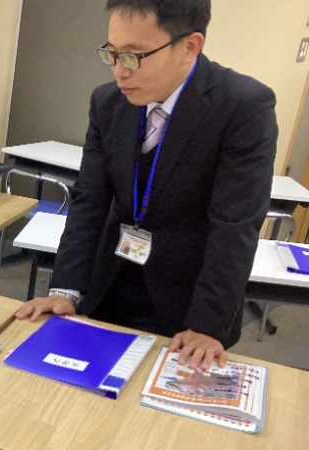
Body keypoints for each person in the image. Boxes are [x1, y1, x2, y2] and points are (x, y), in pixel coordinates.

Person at [16, 0, 277, 371]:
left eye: (134, 56)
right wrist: (66, 290)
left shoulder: (242, 106)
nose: (120, 71)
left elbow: (235, 224)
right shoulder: (107, 102)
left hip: (188, 301)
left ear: (189, 46)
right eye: (112, 53)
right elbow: (90, 199)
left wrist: (206, 325)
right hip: (109, 282)